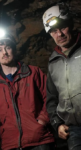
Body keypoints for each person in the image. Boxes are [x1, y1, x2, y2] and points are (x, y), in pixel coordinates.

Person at [0, 32, 54, 150]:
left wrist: (42, 120)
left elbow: (50, 97)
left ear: (14, 50)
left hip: (39, 141)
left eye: (8, 48)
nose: (4, 52)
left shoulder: (33, 73)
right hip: (11, 145)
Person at [42, 3, 81, 150]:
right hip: (74, 131)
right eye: (53, 31)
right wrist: (57, 124)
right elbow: (51, 99)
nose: (60, 34)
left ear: (70, 24)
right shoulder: (53, 63)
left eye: (63, 27)